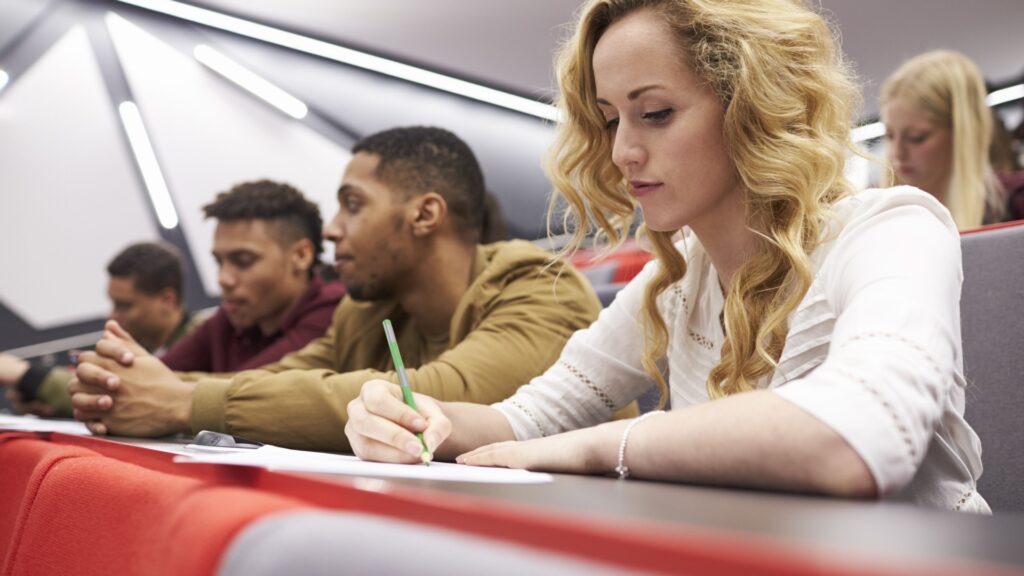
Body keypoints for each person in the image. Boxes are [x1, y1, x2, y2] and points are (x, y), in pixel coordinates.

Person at [344, 0, 988, 513]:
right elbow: (530, 418)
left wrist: (606, 447)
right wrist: (424, 422)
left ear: (752, 110)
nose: (623, 151)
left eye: (654, 112)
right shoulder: (677, 277)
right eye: (609, 120)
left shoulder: (895, 228)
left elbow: (858, 438)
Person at [68, 126, 605, 451]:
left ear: (425, 214)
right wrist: (133, 388)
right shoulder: (365, 312)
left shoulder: (541, 285)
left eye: (352, 204)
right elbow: (271, 380)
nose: (330, 229)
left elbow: (439, 397)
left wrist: (181, 401)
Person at [158, 180, 345, 373]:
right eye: (219, 262)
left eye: (243, 261)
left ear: (300, 256)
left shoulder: (334, 312)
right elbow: (160, 373)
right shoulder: (232, 316)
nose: (223, 279)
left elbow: (251, 388)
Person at [0, 242, 199, 417]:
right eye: (113, 304)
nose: (112, 316)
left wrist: (26, 374)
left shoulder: (204, 345)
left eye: (124, 305)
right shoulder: (139, 348)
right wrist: (46, 404)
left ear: (167, 300)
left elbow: (128, 397)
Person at [880, 50, 1004, 228]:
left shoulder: (1014, 205)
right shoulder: (873, 214)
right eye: (890, 136)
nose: (896, 153)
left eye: (917, 138)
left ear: (961, 133)